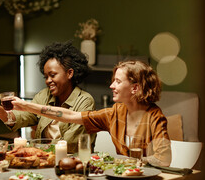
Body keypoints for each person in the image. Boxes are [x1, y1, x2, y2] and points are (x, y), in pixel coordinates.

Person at [11, 60, 172, 166]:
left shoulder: (155, 117)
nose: (111, 86)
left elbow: (164, 159)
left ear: (134, 88)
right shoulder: (115, 113)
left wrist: (131, 162)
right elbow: (70, 115)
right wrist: (27, 106)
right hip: (122, 179)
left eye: (118, 81)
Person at [0, 41, 96, 153]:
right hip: (45, 160)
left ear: (70, 73)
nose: (48, 81)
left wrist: (38, 147)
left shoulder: (85, 101)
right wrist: (2, 112)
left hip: (72, 163)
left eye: (53, 75)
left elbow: (71, 144)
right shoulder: (44, 95)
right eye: (45, 77)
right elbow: (23, 117)